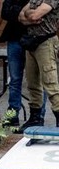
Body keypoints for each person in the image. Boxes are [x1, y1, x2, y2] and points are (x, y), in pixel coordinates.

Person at [0, 0, 47, 130]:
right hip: (15, 38)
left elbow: (42, 16)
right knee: (14, 79)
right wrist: (25, 14)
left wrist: (22, 14)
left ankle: (38, 115)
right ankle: (13, 113)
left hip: (36, 39)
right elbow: (5, 12)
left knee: (38, 80)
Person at [18, 0, 59, 128]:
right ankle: (35, 117)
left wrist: (30, 15)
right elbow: (21, 16)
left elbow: (34, 16)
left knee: (50, 82)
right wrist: (30, 15)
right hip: (32, 42)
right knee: (32, 82)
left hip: (47, 42)